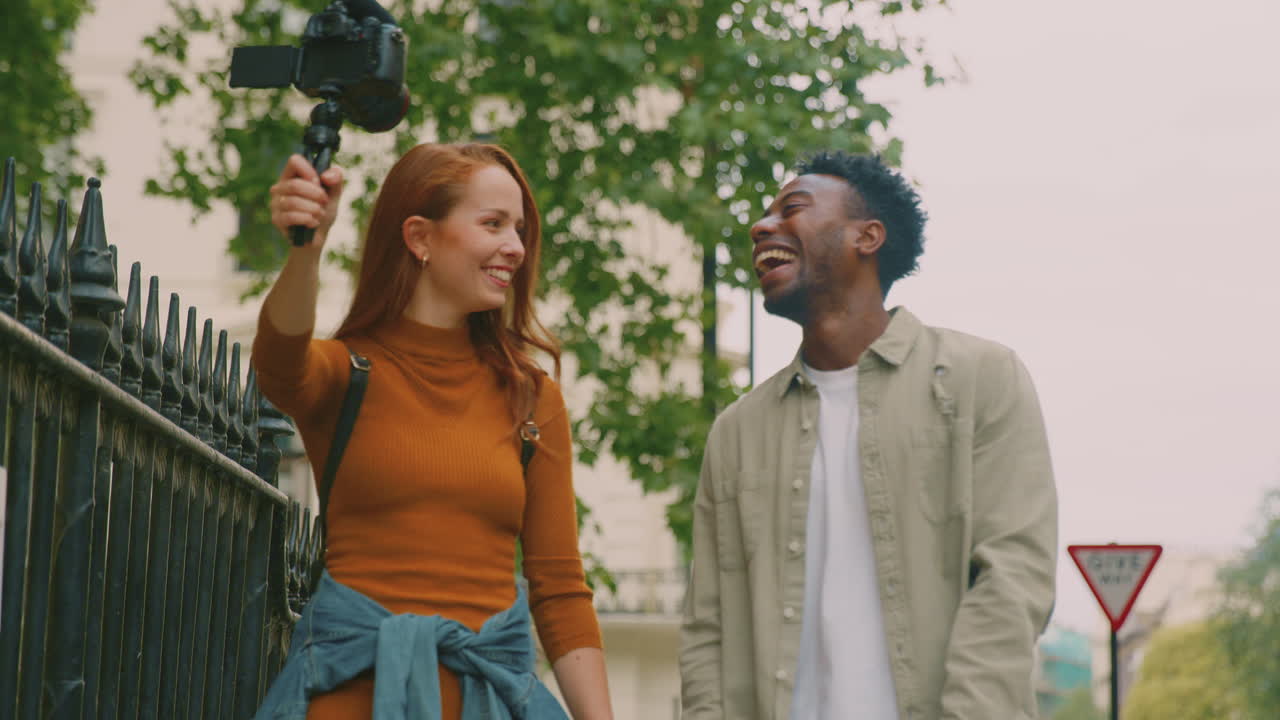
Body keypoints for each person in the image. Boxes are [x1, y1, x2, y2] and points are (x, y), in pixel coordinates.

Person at [679, 151, 1057, 720]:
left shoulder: (981, 380)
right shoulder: (737, 432)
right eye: (764, 216)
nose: (761, 227)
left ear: (868, 236)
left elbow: (1012, 582)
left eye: (793, 208)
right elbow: (708, 629)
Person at [250, 143, 614, 719]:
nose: (516, 247)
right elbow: (278, 363)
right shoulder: (347, 374)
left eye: (519, 228)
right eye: (493, 223)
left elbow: (561, 589)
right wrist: (306, 253)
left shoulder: (531, 398)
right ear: (419, 237)